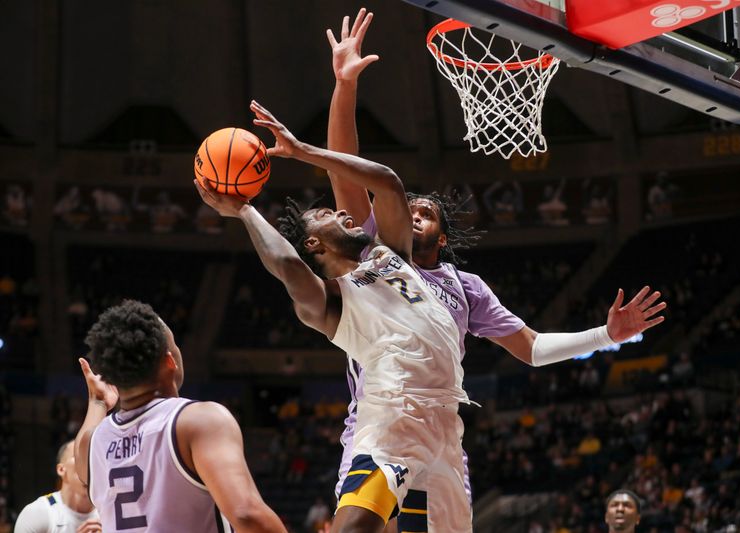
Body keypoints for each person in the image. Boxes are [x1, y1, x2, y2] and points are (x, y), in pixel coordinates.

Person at [324, 8, 667, 531]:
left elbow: (529, 348)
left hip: (443, 432)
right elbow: (342, 167)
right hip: (384, 418)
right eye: (407, 209)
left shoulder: (466, 289)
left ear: (442, 236)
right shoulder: (374, 252)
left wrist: (606, 334)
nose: (412, 214)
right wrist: (345, 85)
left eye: (426, 213)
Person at [197, 100, 474, 532]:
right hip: (394, 418)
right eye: (327, 215)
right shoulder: (330, 302)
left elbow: (388, 183)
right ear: (313, 245)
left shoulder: (389, 252)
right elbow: (287, 268)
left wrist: (302, 151)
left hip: (447, 426)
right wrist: (245, 211)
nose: (343, 212)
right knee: (353, 528)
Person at [73, 299, 286, 533]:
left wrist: (98, 402)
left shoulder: (91, 445)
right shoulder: (197, 421)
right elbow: (247, 515)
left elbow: (84, 444)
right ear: (169, 361)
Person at [14, 440, 101, 533]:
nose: (88, 463)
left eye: (91, 457)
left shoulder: (110, 512)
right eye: (80, 456)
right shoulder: (37, 513)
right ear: (61, 469)